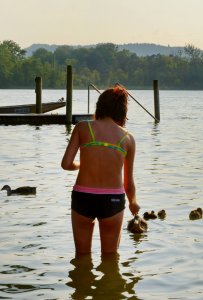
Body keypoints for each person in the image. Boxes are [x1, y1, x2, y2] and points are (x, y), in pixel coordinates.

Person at [61, 85, 140, 254]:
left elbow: (66, 164)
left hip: (83, 198)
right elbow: (128, 184)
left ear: (100, 106)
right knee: (110, 258)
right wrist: (133, 202)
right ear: (122, 111)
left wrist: (81, 165)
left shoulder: (83, 127)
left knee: (81, 257)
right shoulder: (128, 139)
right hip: (113, 200)